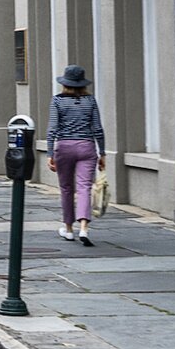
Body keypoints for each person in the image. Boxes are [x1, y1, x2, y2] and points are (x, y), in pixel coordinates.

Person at [47, 64, 107, 246]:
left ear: (65, 83)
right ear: (82, 83)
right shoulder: (90, 101)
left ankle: (69, 229)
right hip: (87, 147)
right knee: (84, 188)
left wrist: (50, 153)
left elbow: (52, 129)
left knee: (66, 188)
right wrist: (102, 152)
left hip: (64, 147)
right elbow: (97, 128)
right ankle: (84, 228)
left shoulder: (57, 101)